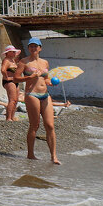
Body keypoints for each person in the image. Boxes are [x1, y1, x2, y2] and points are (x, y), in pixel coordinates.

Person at [14, 37, 60, 165]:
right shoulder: (24, 62)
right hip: (32, 94)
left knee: (50, 125)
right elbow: (16, 79)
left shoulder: (45, 63)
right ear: (28, 48)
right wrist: (30, 77)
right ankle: (30, 154)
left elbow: (45, 79)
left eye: (36, 46)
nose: (33, 48)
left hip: (45, 94)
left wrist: (50, 82)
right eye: (31, 46)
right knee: (35, 125)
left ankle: (53, 156)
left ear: (40, 48)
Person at [0, 45, 20, 121]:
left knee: (16, 100)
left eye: (15, 52)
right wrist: (6, 77)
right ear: (8, 53)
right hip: (9, 81)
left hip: (14, 81)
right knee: (12, 100)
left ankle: (12, 116)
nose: (14, 53)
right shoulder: (6, 60)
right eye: (12, 52)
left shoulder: (12, 60)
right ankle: (8, 118)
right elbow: (3, 70)